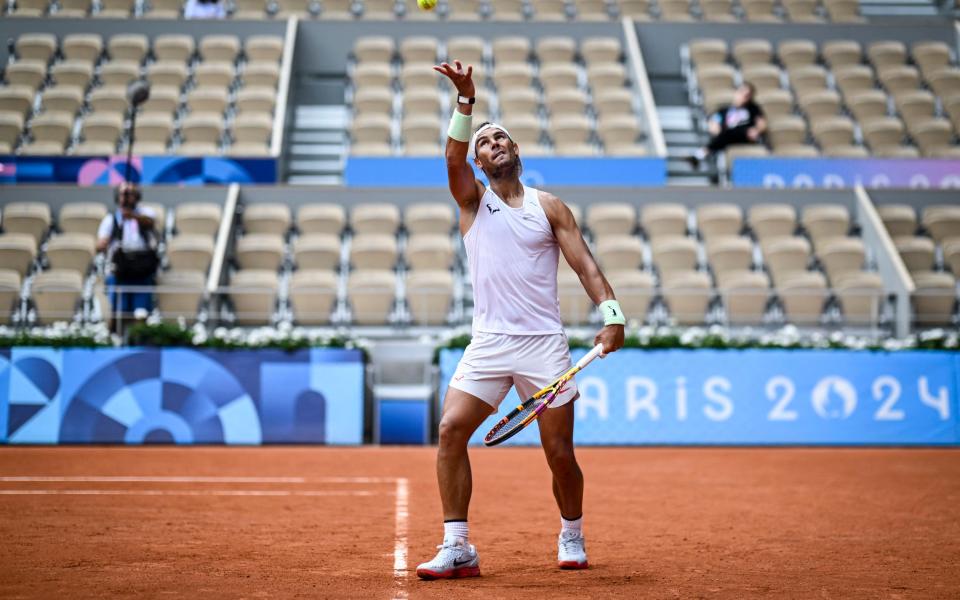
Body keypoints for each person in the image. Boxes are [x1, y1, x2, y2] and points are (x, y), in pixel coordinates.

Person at [416, 60, 626, 580]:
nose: (493, 143)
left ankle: (571, 532)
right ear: (480, 163)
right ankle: (458, 545)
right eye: (484, 142)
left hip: (543, 346)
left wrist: (612, 313)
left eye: (501, 137)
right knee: (449, 432)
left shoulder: (548, 206)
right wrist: (466, 102)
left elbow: (584, 264)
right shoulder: (472, 201)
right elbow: (451, 155)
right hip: (489, 343)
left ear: (517, 153)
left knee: (558, 451)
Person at [96, 183, 158, 330]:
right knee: (119, 311)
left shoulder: (146, 213)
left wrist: (132, 216)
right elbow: (100, 245)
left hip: (142, 270)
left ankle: (140, 341)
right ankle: (118, 340)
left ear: (137, 196)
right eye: (123, 194)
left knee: (141, 313)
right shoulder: (111, 219)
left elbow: (149, 222)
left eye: (130, 193)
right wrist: (104, 243)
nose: (126, 197)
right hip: (120, 271)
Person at [689, 82, 767, 169]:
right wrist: (713, 125)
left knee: (726, 133)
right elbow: (713, 120)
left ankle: (699, 155)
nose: (744, 96)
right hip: (727, 136)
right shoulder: (725, 110)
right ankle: (699, 155)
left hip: (745, 135)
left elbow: (761, 123)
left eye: (747, 94)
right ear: (736, 92)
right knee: (725, 133)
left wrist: (756, 130)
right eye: (742, 92)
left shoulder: (753, 108)